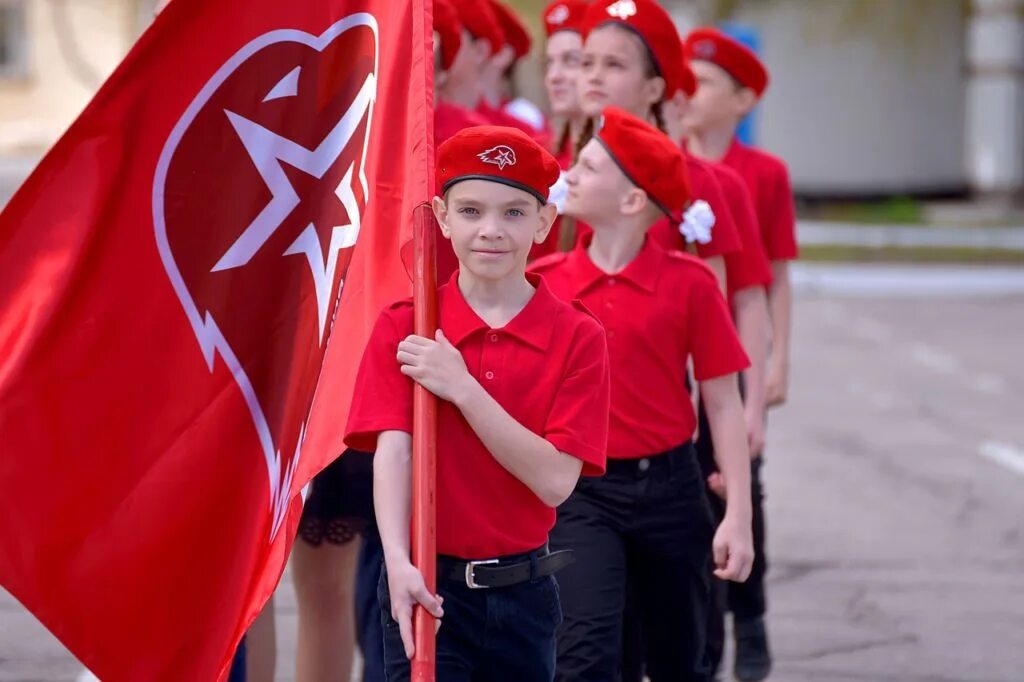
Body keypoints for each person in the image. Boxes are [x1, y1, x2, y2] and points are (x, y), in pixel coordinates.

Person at [345, 125, 612, 681]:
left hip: (526, 595)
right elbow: (393, 454)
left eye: (514, 213)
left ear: (544, 223)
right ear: (441, 218)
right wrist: (397, 563)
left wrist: (463, 388)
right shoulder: (407, 324)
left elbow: (555, 481)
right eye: (471, 211)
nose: (491, 231)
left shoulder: (577, 336)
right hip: (426, 587)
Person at [531, 104, 754, 682]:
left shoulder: (691, 284)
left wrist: (738, 516)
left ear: (633, 202)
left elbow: (723, 402)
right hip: (580, 492)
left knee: (683, 659)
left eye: (589, 166)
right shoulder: (545, 283)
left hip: (672, 491)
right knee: (584, 659)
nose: (570, 173)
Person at [682, 27, 801, 681]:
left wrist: (775, 369)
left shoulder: (763, 174)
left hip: (736, 357)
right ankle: (705, 640)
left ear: (742, 98)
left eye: (704, 85)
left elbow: (771, 279)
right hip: (680, 362)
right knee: (690, 500)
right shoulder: (665, 159)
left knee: (740, 487)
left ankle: (748, 617)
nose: (690, 95)